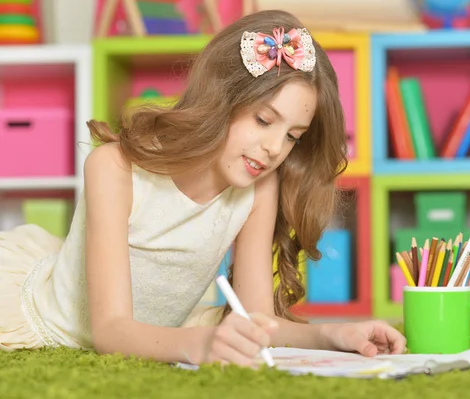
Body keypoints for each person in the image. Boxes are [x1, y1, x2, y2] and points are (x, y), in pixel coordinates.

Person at [0, 9, 406, 366]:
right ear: (220, 99)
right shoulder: (114, 169)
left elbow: (255, 317)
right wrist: (200, 344)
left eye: (292, 137)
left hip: (163, 335)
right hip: (51, 326)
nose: (274, 148)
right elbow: (110, 331)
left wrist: (333, 336)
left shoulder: (257, 188)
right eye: (264, 121)